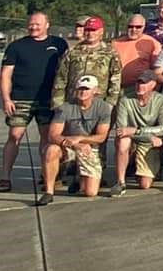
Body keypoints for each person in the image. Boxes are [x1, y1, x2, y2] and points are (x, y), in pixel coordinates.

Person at [0, 10, 66, 194]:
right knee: (15, 135)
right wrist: (6, 98)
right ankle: (5, 177)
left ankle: (46, 174)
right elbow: (6, 75)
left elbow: (64, 70)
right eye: (31, 24)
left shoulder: (58, 44)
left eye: (38, 24)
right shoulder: (16, 47)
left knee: (46, 138)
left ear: (47, 25)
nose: (33, 27)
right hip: (20, 98)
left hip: (48, 99)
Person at [41, 75, 111, 204]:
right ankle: (49, 192)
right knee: (51, 149)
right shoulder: (65, 107)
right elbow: (53, 135)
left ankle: (79, 178)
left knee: (91, 192)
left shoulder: (104, 108)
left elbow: (101, 137)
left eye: (86, 89)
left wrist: (80, 139)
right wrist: (72, 144)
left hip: (89, 146)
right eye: (80, 88)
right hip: (68, 145)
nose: (82, 92)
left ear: (95, 91)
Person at [107, 69, 163, 195]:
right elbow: (121, 129)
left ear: (153, 84)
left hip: (147, 140)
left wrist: (138, 131)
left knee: (145, 185)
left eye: (144, 83)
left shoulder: (162, 100)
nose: (140, 86)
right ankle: (120, 182)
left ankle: (141, 167)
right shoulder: (125, 99)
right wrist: (145, 135)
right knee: (123, 141)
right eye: (138, 82)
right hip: (132, 138)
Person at [62, 18, 123, 110]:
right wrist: (58, 102)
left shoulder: (110, 52)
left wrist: (111, 102)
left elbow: (116, 79)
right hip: (73, 102)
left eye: (93, 30)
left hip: (99, 103)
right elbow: (61, 77)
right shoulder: (72, 51)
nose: (90, 33)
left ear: (101, 31)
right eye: (87, 30)